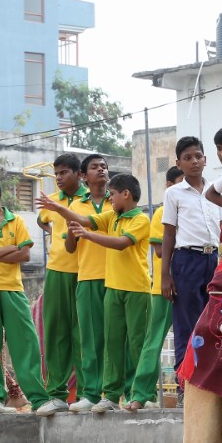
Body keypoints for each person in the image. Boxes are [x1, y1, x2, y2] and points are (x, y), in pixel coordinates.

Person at [0, 176, 57, 416]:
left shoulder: (16, 221)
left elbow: (25, 255)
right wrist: (10, 249)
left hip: (13, 289)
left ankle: (38, 398)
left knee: (25, 342)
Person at [68, 173, 149, 411]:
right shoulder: (112, 217)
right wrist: (58, 209)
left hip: (136, 289)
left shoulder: (141, 219)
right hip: (112, 288)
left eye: (112, 194)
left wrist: (89, 236)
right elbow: (84, 219)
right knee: (112, 344)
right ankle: (111, 396)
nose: (109, 198)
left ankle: (142, 394)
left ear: (126, 194)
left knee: (137, 344)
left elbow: (123, 243)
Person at [161, 136, 221, 374]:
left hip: (214, 260)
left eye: (198, 156)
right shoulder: (174, 193)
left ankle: (209, 379)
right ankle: (185, 382)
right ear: (179, 163)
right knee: (187, 323)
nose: (194, 161)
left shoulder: (216, 189)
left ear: (205, 159)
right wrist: (165, 274)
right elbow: (168, 234)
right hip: (187, 261)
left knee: (214, 321)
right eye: (187, 158)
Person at [127, 167, 184, 410]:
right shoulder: (161, 212)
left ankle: (185, 391)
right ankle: (140, 393)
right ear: (170, 185)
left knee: (190, 340)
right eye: (181, 183)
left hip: (190, 284)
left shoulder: (195, 209)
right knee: (154, 341)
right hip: (164, 286)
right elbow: (160, 250)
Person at [36, 153, 88, 407]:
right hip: (56, 271)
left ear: (79, 174)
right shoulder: (51, 202)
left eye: (64, 172)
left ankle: (87, 393)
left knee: (83, 333)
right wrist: (57, 234)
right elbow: (43, 221)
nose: (58, 177)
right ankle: (56, 393)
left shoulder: (89, 200)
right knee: (56, 331)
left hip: (85, 272)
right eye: (56, 173)